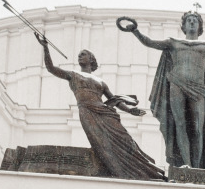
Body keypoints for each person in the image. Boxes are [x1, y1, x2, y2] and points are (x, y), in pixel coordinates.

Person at [118, 12, 205, 169]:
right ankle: (186, 164)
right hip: (176, 85)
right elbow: (150, 42)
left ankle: (197, 167)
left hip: (199, 89)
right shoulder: (173, 42)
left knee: (198, 129)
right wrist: (135, 31)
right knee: (180, 125)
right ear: (183, 26)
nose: (192, 23)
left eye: (195, 21)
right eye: (189, 21)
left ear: (200, 27)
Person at [36, 35, 165, 180]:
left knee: (125, 140)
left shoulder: (100, 81)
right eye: (78, 55)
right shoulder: (72, 75)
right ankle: (121, 171)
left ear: (91, 59)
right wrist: (46, 48)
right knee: (102, 144)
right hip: (87, 111)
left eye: (83, 54)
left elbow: (113, 99)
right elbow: (51, 68)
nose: (79, 56)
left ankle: (149, 171)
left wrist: (130, 110)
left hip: (105, 112)